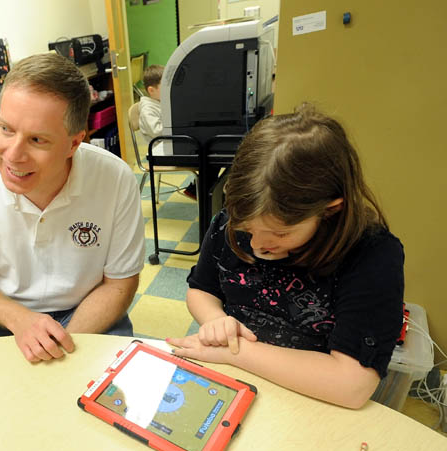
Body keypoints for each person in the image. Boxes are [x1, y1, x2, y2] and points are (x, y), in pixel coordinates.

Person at [167, 104, 404, 409]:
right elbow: (202, 289)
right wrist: (215, 319)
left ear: (331, 210)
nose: (259, 244)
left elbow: (352, 385)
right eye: (247, 228)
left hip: (313, 400)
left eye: (280, 233)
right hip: (233, 385)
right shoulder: (231, 223)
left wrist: (235, 352)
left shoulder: (372, 256)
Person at [0, 53, 144, 363]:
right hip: (3, 316)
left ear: (74, 144)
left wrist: (65, 342)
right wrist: (19, 319)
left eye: (36, 139)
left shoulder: (115, 179)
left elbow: (120, 282)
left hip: (90, 308)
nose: (13, 155)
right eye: (6, 129)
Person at [138, 63, 196, 199]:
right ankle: (198, 190)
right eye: (164, 87)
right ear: (151, 90)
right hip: (160, 150)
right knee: (201, 154)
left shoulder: (160, 101)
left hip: (168, 145)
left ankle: (199, 189)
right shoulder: (147, 109)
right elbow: (157, 131)